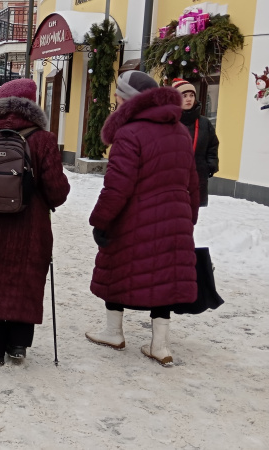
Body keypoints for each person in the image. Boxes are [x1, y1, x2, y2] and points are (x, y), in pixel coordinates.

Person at [85, 71, 200, 367]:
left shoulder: (129, 132)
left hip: (134, 217)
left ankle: (113, 332)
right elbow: (192, 180)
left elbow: (117, 185)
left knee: (116, 267)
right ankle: (160, 346)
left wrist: (101, 220)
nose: (115, 99)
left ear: (127, 99)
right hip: (175, 217)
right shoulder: (179, 131)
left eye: (117, 94)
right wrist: (190, 217)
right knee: (164, 276)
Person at [0, 79, 71, 367]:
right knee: (24, 279)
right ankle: (18, 344)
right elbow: (57, 193)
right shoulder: (43, 139)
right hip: (29, 228)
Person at [173, 78, 220, 207]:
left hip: (198, 176)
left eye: (191, 95)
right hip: (172, 178)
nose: (189, 99)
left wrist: (210, 165)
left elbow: (212, 145)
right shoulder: (169, 121)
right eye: (184, 96)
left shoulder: (205, 123)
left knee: (191, 216)